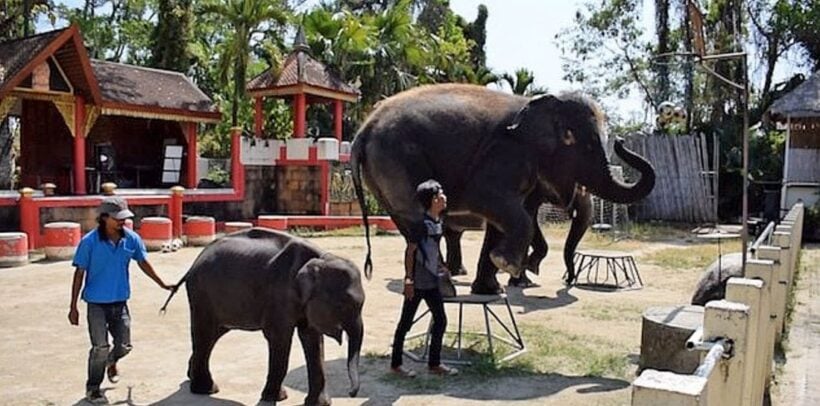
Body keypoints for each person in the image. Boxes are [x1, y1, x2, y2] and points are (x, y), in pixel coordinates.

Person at [68, 196, 173, 404]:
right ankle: (93, 388)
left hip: (120, 302)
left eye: (124, 218)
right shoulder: (89, 242)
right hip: (96, 304)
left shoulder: (131, 238)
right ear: (104, 218)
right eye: (117, 218)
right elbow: (79, 273)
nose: (122, 222)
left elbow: (143, 262)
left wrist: (162, 283)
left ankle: (112, 361)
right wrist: (73, 307)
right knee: (100, 347)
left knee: (124, 345)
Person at [390, 179, 458, 377]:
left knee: (440, 320)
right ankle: (396, 365)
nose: (444, 198)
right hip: (418, 283)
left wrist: (442, 267)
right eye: (441, 195)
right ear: (433, 200)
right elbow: (410, 252)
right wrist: (408, 280)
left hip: (432, 282)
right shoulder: (419, 224)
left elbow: (433, 249)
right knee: (405, 323)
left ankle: (434, 364)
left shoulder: (438, 222)